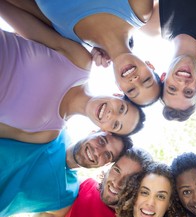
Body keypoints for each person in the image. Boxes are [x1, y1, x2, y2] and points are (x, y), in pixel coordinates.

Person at [0, 2, 145, 143]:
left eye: (115, 125)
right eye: (121, 108)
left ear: (105, 130)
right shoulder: (79, 60)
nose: (111, 115)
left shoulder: (46, 133)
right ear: (117, 95)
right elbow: (25, 22)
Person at [13, 0, 162, 107]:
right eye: (146, 80)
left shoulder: (67, 37)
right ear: (150, 66)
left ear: (118, 86)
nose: (135, 80)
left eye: (131, 90)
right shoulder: (139, 9)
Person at [27, 147, 153, 217]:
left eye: (130, 180)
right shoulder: (82, 188)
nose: (117, 183)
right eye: (116, 170)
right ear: (108, 168)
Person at [0, 130, 132, 217]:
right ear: (94, 131)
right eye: (101, 141)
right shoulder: (53, 131)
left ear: (106, 165)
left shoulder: (67, 194)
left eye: (107, 155)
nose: (98, 152)